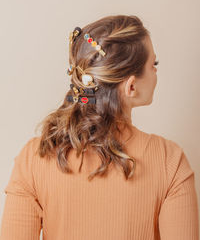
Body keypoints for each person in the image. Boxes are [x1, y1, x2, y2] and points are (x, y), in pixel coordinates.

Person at [0, 14, 199, 239]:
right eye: (154, 64)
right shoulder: (169, 161)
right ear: (131, 87)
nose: (156, 71)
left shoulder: (34, 158)